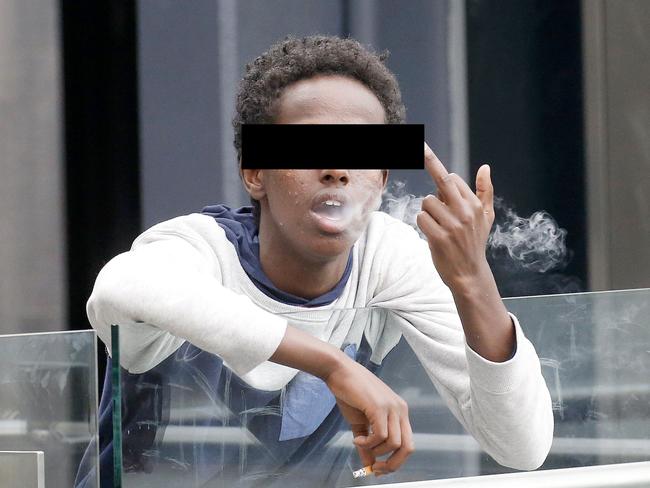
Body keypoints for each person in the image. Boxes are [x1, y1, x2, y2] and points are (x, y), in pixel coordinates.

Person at [75, 34, 553, 487]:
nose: (336, 170)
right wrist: (334, 366)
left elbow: (522, 448)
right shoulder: (200, 247)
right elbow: (120, 287)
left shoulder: (388, 257)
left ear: (382, 180)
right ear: (255, 173)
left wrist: (472, 276)